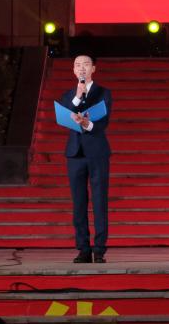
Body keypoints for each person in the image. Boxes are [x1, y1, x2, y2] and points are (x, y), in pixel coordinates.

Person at [57, 54, 111, 264]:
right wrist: (78, 97)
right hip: (75, 153)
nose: (81, 68)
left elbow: (103, 122)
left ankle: (99, 249)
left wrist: (88, 124)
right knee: (78, 203)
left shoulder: (103, 92)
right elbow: (65, 117)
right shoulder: (69, 95)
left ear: (93, 69)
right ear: (73, 70)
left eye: (86, 64)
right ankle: (83, 249)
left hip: (97, 152)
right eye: (78, 65)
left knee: (99, 201)